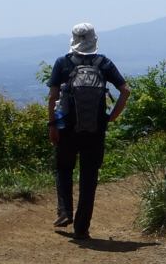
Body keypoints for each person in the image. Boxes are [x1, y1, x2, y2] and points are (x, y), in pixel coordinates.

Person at [47, 23, 131, 240]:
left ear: (73, 40)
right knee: (89, 178)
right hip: (96, 129)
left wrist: (52, 125)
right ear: (94, 39)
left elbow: (53, 97)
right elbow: (125, 90)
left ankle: (65, 210)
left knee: (64, 167)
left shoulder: (63, 62)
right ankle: (82, 228)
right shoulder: (104, 63)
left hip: (67, 128)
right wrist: (111, 117)